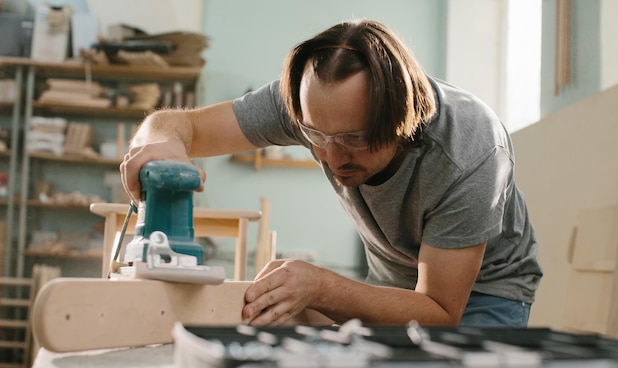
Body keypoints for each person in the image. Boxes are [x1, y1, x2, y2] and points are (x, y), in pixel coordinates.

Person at [120, 18, 542, 328]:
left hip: (482, 295)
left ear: (400, 119)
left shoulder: (470, 151)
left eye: (355, 138)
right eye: (316, 136)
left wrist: (323, 288)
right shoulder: (313, 108)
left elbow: (439, 311)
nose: (332, 156)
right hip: (395, 281)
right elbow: (181, 126)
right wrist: (161, 144)